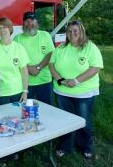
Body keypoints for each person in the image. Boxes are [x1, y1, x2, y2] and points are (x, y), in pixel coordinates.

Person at [49, 20, 103, 159]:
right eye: (70, 31)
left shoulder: (90, 47)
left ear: (81, 32)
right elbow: (51, 65)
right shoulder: (61, 48)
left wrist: (76, 81)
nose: (72, 34)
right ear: (66, 33)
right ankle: (65, 146)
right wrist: (60, 80)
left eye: (75, 31)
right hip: (62, 91)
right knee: (64, 120)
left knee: (83, 120)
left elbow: (95, 68)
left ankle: (84, 145)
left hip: (84, 93)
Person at [13, 11, 55, 105]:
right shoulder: (17, 39)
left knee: (46, 109)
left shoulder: (45, 35)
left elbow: (50, 54)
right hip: (26, 82)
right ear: (23, 23)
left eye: (32, 20)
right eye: (26, 21)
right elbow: (15, 59)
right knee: (26, 110)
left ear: (36, 21)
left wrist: (38, 68)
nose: (29, 23)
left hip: (44, 81)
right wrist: (29, 69)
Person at [0, 17, 30, 105]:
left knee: (17, 118)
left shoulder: (19, 48)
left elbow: (24, 71)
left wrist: (25, 91)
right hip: (0, 92)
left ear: (10, 29)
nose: (2, 30)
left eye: (4, 27)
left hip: (17, 92)